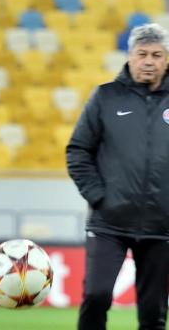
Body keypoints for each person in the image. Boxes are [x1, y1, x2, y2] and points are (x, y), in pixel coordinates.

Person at [66, 22, 169, 330]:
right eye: (142, 54)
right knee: (96, 296)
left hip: (161, 227)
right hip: (108, 222)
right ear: (130, 57)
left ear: (167, 59)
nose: (149, 61)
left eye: (156, 54)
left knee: (153, 314)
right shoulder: (105, 97)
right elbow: (78, 151)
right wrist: (100, 197)